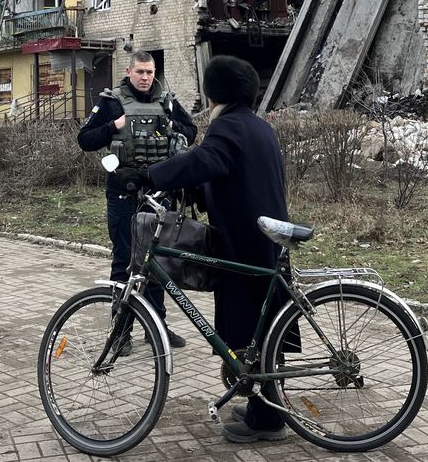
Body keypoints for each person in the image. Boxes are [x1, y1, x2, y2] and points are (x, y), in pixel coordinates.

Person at [118, 55, 292, 444]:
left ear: (214, 92)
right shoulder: (257, 126)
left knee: (253, 331)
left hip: (246, 242)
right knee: (260, 329)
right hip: (261, 237)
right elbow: (229, 171)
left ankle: (268, 421)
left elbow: (206, 159)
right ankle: (266, 406)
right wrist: (197, 189)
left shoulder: (226, 126)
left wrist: (150, 174)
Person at [77, 51, 197, 351]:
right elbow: (85, 139)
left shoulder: (166, 101)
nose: (145, 78)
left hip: (159, 196)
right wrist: (112, 127)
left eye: (150, 72)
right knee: (124, 263)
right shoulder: (111, 101)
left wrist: (172, 129)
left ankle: (157, 329)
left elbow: (191, 132)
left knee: (157, 263)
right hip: (122, 194)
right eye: (140, 72)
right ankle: (120, 333)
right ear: (128, 71)